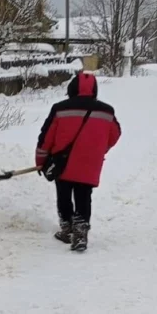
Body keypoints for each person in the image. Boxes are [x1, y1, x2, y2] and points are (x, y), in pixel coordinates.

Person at [35, 71, 121, 252]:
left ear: (72, 89)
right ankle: (81, 232)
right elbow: (115, 134)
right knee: (84, 196)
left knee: (64, 195)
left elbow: (46, 137)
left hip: (62, 163)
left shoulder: (60, 109)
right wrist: (100, 149)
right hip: (90, 163)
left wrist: (41, 160)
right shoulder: (107, 111)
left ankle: (67, 229)